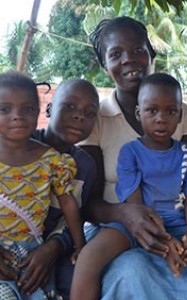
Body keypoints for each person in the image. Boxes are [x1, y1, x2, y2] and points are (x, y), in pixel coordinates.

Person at [78, 16, 187, 299]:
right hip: (119, 230)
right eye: (116, 54)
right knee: (132, 276)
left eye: (139, 50)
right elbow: (88, 204)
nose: (129, 59)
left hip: (178, 225)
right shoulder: (97, 118)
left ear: (152, 55)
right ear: (104, 65)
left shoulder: (181, 113)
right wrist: (126, 215)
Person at [0, 71, 85, 299]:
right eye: (5, 109)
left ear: (38, 112)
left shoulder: (53, 160)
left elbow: (69, 204)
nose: (17, 116)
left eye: (27, 108)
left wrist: (79, 246)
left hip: (33, 251)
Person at [29, 79, 99, 299]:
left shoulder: (84, 166)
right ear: (49, 108)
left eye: (89, 113)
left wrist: (54, 247)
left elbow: (74, 217)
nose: (80, 116)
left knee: (79, 280)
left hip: (57, 248)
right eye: (69, 106)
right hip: (10, 239)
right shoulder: (20, 146)